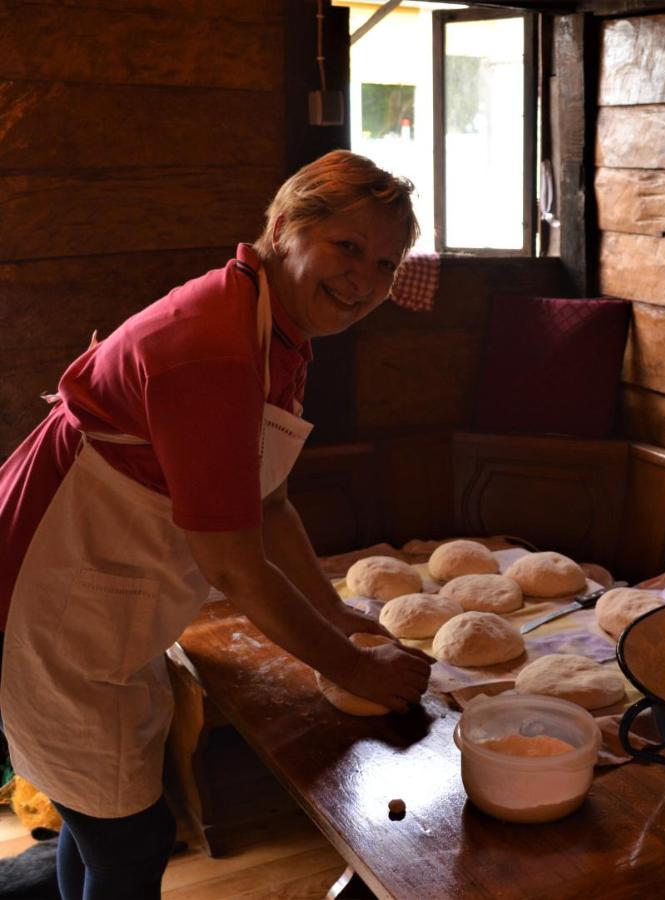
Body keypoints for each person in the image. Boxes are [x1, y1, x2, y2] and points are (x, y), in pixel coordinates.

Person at [0, 150, 433, 899]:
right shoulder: (216, 347)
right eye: (348, 246)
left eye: (387, 264)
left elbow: (267, 505)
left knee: (96, 820)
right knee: (129, 841)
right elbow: (234, 565)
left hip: (104, 603)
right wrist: (354, 667)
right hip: (44, 602)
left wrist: (335, 613)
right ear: (286, 226)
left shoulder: (275, 333)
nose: (365, 279)